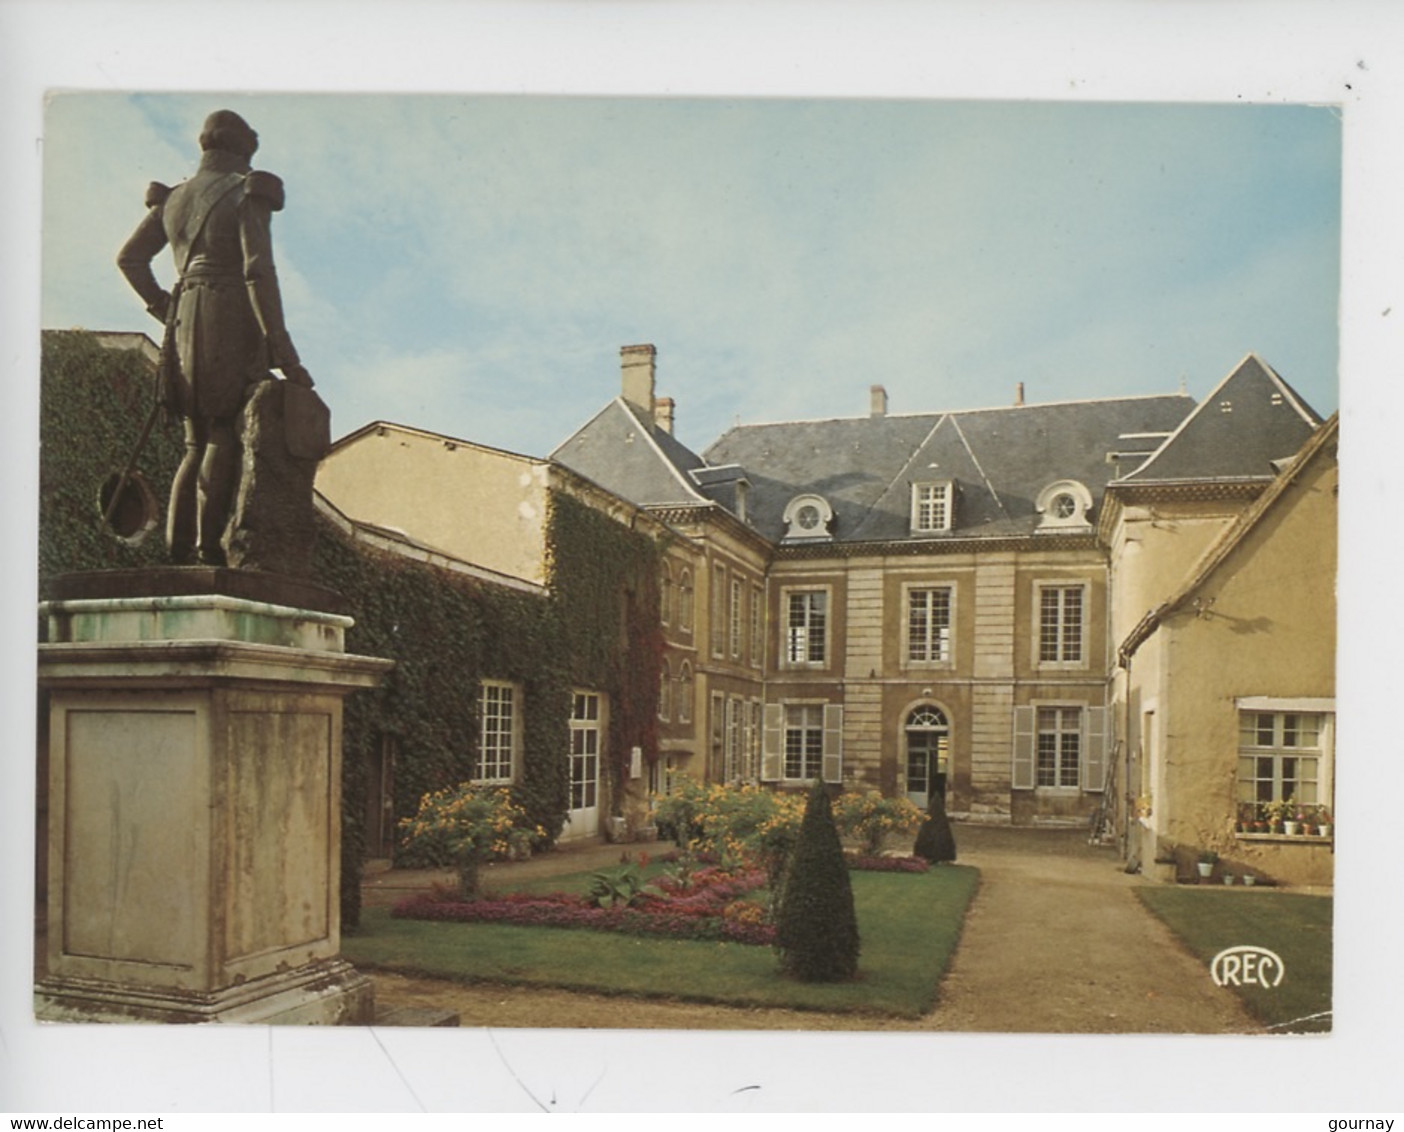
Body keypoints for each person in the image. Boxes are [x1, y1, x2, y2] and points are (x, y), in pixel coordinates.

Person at [118, 109, 312, 566]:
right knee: (223, 431)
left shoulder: (175, 198)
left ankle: (179, 550)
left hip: (184, 323)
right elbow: (257, 270)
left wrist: (167, 308)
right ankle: (208, 553)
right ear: (244, 150)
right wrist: (284, 351)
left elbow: (130, 260)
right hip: (229, 315)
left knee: (194, 442)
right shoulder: (247, 188)